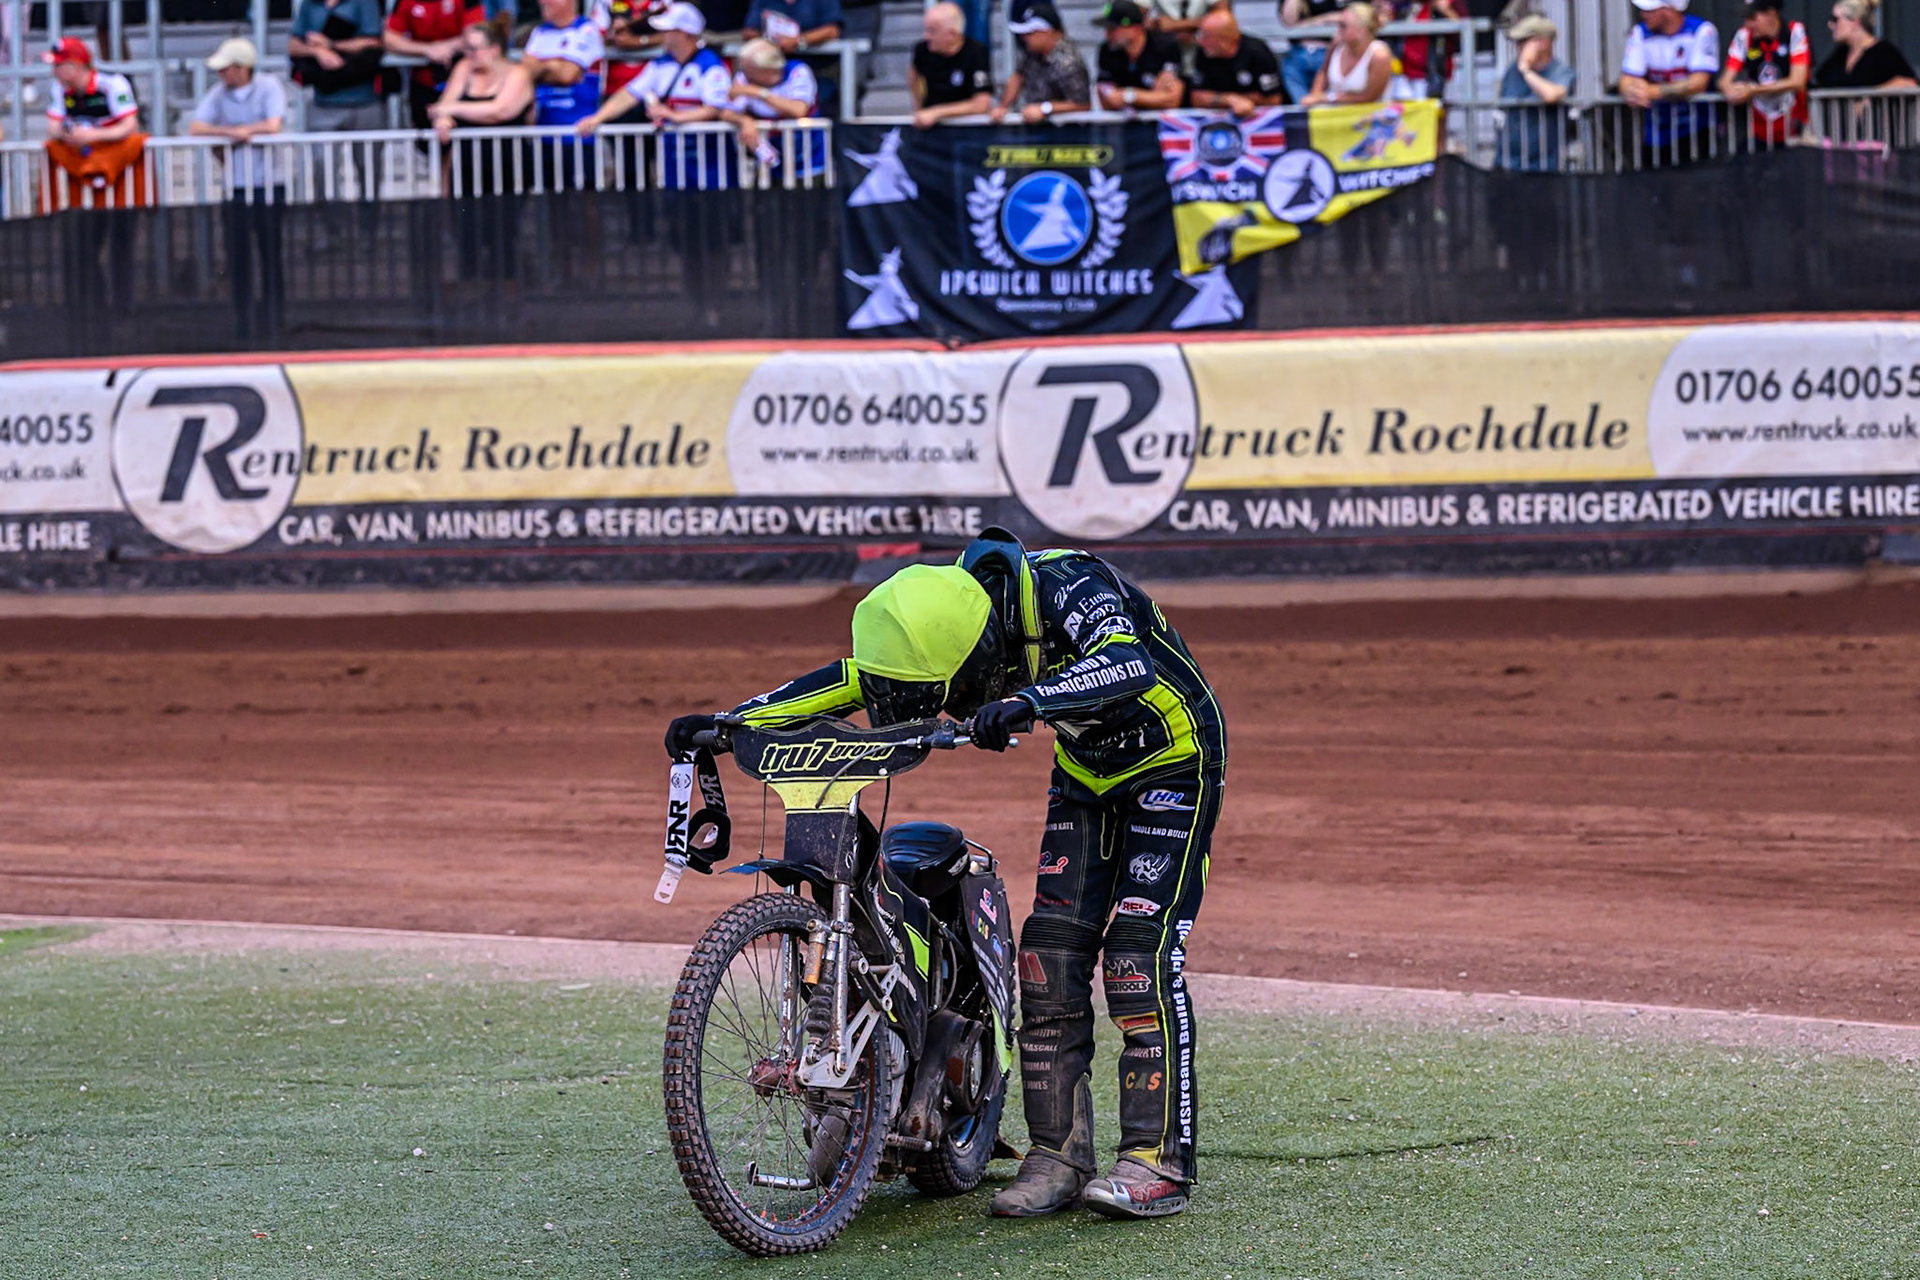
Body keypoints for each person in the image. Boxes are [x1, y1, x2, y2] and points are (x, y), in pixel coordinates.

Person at [664, 530, 1227, 1221]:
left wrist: (1030, 702)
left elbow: (1127, 663)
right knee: (1047, 958)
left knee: (1138, 959)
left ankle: (1155, 1163)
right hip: (1086, 775)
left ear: (976, 658)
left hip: (1177, 763)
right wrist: (729, 723)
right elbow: (850, 681)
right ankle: (1057, 1159)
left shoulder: (1070, 585)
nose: (949, 710)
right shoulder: (949, 621)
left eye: (950, 697)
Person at [189, 38, 288, 344]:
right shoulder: (219, 94)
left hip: (269, 185)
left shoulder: (269, 86)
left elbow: (273, 125)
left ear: (242, 69)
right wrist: (234, 133)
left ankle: (275, 320)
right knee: (238, 258)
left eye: (226, 68)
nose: (221, 75)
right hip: (236, 187)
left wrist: (241, 133)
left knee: (271, 255)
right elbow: (196, 128)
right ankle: (243, 322)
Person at [578, 2, 733, 187]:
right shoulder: (661, 64)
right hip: (675, 158)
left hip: (709, 159)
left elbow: (715, 108)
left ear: (684, 33)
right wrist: (597, 118)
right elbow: (629, 94)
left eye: (668, 30)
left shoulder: (710, 65)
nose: (662, 35)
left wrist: (673, 116)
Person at [1617, 0, 1718, 163]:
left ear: (1669, 10)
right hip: (1655, 133)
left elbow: (1698, 83)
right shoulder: (1640, 32)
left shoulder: (1701, 30)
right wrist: (1631, 91)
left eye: (1649, 10)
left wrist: (1649, 92)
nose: (1643, 15)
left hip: (1695, 129)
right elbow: (1627, 78)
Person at [722, 37, 825, 177]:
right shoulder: (744, 78)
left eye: (749, 69)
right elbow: (726, 113)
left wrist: (759, 93)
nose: (744, 73)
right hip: (769, 161)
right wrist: (744, 121)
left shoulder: (797, 71)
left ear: (768, 70)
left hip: (807, 157)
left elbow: (799, 110)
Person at [384, 0, 487, 130]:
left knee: (464, 138)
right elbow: (390, 39)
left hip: (466, 81)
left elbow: (476, 34)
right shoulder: (404, 2)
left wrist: (447, 47)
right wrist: (427, 49)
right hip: (423, 83)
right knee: (426, 138)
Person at [1495, 12, 1572, 170]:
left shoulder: (1560, 71)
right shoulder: (1512, 71)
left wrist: (1526, 70)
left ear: (1543, 42)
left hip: (1544, 167)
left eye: (1523, 41)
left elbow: (1551, 95)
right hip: (1509, 164)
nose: (1518, 47)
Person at [993, 1, 1093, 123]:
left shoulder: (1068, 61)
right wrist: (1003, 107)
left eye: (1030, 33)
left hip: (1066, 133)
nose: (1024, 38)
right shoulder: (1031, 54)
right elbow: (1018, 77)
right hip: (1035, 129)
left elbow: (1083, 105)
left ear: (1047, 31)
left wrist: (1045, 108)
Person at [742, 0, 842, 117]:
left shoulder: (799, 70)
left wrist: (798, 40)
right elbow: (749, 31)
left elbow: (832, 30)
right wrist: (773, 40)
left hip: (818, 69)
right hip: (770, 69)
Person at [910, 1, 993, 129]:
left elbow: (982, 103)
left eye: (932, 31)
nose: (926, 36)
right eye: (926, 30)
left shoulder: (976, 52)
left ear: (952, 35)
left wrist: (937, 112)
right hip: (931, 128)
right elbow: (913, 77)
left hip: (969, 128)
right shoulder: (922, 50)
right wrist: (920, 109)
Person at [44, 35, 138, 146]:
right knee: (51, 147)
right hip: (79, 151)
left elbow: (130, 126)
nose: (53, 72)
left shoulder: (114, 83)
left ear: (76, 65)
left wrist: (92, 135)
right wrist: (68, 133)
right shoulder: (59, 87)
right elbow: (52, 128)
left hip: (113, 149)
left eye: (58, 65)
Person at [1185, 10, 1284, 114]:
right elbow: (1196, 98)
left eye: (1206, 37)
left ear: (1224, 39)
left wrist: (1214, 98)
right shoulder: (1204, 53)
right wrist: (1230, 100)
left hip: (1256, 120)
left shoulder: (1258, 53)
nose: (1200, 41)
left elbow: (1274, 98)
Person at [1095, 0, 1186, 111]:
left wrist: (1128, 95)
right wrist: (1152, 97)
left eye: (1113, 29)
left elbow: (1172, 100)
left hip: (1164, 123)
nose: (1107, 34)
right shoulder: (1107, 51)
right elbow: (1107, 101)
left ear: (1135, 28)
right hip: (1125, 123)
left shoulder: (1165, 46)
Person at [1813, 0, 1917, 88]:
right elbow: (1820, 81)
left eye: (1836, 19)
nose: (1831, 25)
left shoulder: (1884, 52)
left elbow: (1910, 83)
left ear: (1855, 21)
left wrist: (1872, 97)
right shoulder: (1840, 55)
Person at [1303, 1, 1391, 103]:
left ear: (1362, 30)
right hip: (1336, 116)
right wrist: (1315, 95)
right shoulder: (1337, 45)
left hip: (1370, 117)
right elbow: (1323, 71)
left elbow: (1369, 97)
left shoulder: (1378, 55)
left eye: (1343, 25)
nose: (1338, 29)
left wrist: (1330, 98)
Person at [1278, 0, 1343, 104]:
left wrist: (1315, 21)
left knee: (1327, 100)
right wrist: (1323, 21)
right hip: (1298, 52)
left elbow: (1346, 17)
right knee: (1301, 100)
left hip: (1332, 51)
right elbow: (1289, 23)